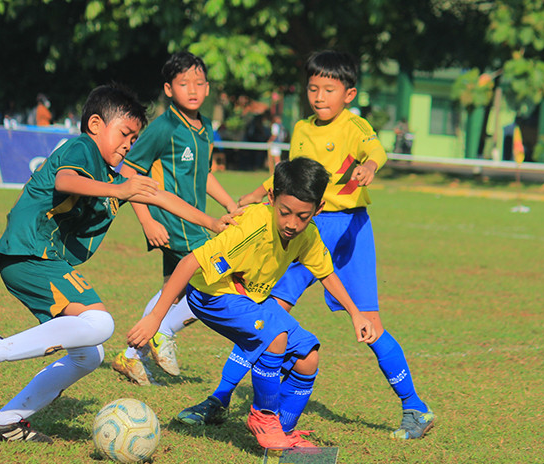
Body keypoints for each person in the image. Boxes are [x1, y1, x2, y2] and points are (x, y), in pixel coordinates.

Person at [0, 84, 230, 444]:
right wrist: (119, 191)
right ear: (94, 124)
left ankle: (5, 421)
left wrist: (213, 223)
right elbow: (65, 179)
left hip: (42, 259)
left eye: (134, 138)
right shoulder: (83, 149)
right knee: (100, 322)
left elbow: (160, 195)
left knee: (89, 354)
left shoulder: (111, 174)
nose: (128, 144)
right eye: (124, 134)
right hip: (30, 251)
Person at [178, 50, 435, 440]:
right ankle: (222, 398)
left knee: (349, 321)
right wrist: (252, 196)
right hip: (308, 225)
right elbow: (288, 178)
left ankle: (414, 408)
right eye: (313, 88)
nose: (319, 96)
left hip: (346, 230)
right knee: (266, 314)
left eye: (329, 89)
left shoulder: (354, 125)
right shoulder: (301, 128)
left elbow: (375, 150)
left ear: (348, 94)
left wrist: (370, 167)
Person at [127, 157, 377, 448]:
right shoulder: (251, 227)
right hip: (211, 296)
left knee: (308, 358)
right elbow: (190, 262)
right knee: (275, 337)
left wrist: (356, 314)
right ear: (272, 198)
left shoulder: (308, 235)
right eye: (285, 212)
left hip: (249, 298)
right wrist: (156, 318)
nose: (292, 224)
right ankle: (263, 417)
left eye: (303, 216)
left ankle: (281, 429)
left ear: (318, 210)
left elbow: (327, 273)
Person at [112, 52, 239, 386]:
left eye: (198, 83)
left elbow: (204, 173)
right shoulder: (165, 127)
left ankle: (131, 356)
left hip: (196, 220)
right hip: (174, 222)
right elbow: (130, 171)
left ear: (208, 87)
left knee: (176, 289)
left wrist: (229, 204)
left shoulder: (205, 126)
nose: (192, 89)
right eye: (184, 84)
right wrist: (146, 221)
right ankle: (162, 331)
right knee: (217, 278)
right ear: (169, 89)